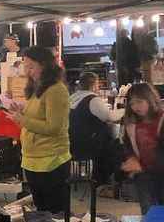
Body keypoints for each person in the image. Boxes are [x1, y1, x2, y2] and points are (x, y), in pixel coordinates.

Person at [7, 46, 71, 213]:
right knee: (41, 212)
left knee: (54, 214)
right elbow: (34, 120)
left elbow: (54, 127)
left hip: (51, 161)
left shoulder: (56, 90)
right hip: (32, 159)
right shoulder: (36, 89)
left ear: (45, 65)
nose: (27, 71)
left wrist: (23, 119)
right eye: (25, 66)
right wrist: (20, 113)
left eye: (31, 67)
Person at [120, 83, 164, 214]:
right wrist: (131, 158)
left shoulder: (162, 119)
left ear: (150, 99)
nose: (135, 107)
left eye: (139, 102)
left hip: (159, 173)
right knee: (148, 212)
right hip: (143, 176)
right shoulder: (131, 122)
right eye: (132, 104)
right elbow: (127, 144)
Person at [69, 72, 116, 186]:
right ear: (94, 85)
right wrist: (123, 112)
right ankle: (104, 179)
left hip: (73, 142)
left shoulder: (72, 97)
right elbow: (109, 117)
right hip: (90, 144)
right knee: (115, 144)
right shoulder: (92, 99)